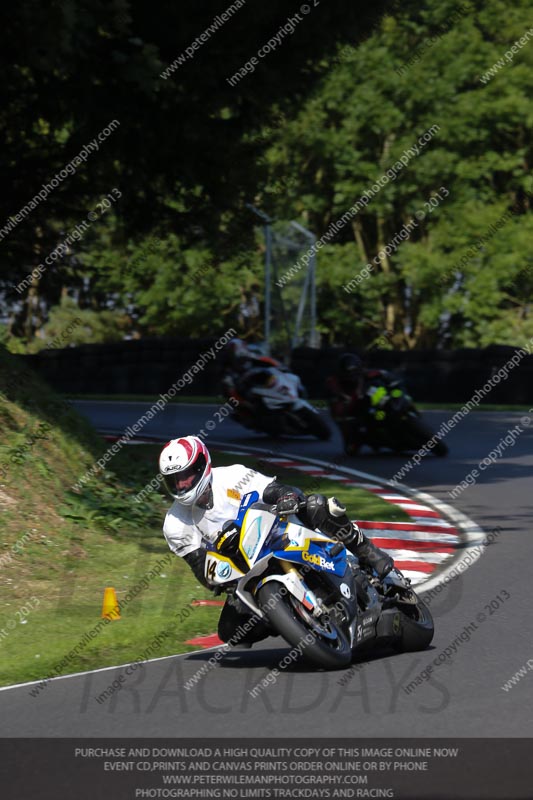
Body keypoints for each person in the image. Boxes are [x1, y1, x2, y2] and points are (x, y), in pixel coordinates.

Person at [160, 435, 393, 646]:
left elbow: (272, 489)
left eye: (185, 476)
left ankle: (367, 551)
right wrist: (217, 579)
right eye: (174, 480)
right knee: (230, 631)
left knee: (316, 505)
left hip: (279, 533)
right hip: (243, 569)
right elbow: (200, 567)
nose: (181, 485)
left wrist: (287, 496)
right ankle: (288, 619)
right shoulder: (174, 525)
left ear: (202, 466)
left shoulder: (233, 476)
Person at [326, 353, 398, 455]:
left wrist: (392, 382)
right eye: (347, 374)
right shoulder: (334, 381)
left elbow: (385, 374)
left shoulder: (367, 373)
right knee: (350, 443)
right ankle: (356, 440)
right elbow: (337, 402)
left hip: (375, 401)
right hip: (355, 409)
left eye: (353, 372)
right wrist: (345, 399)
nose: (350, 377)